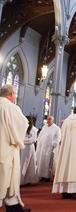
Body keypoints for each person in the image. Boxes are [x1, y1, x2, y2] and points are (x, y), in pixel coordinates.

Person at [0, 84, 30, 212]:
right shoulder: (10, 107)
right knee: (6, 177)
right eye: (15, 94)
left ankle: (14, 206)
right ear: (12, 94)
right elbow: (22, 124)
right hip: (6, 148)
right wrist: (18, 140)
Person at [35, 115, 61, 182]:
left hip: (49, 148)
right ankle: (41, 175)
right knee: (41, 161)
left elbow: (58, 138)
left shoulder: (56, 128)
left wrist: (53, 145)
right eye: (47, 119)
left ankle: (47, 177)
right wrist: (38, 142)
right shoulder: (44, 127)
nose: (48, 120)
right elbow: (40, 135)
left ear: (53, 120)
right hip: (41, 148)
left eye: (50, 119)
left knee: (47, 162)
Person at [20, 116, 39, 186]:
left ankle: (28, 180)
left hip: (29, 148)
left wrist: (22, 141)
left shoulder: (34, 129)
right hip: (22, 147)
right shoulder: (23, 127)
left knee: (29, 164)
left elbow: (33, 139)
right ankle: (21, 179)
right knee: (22, 163)